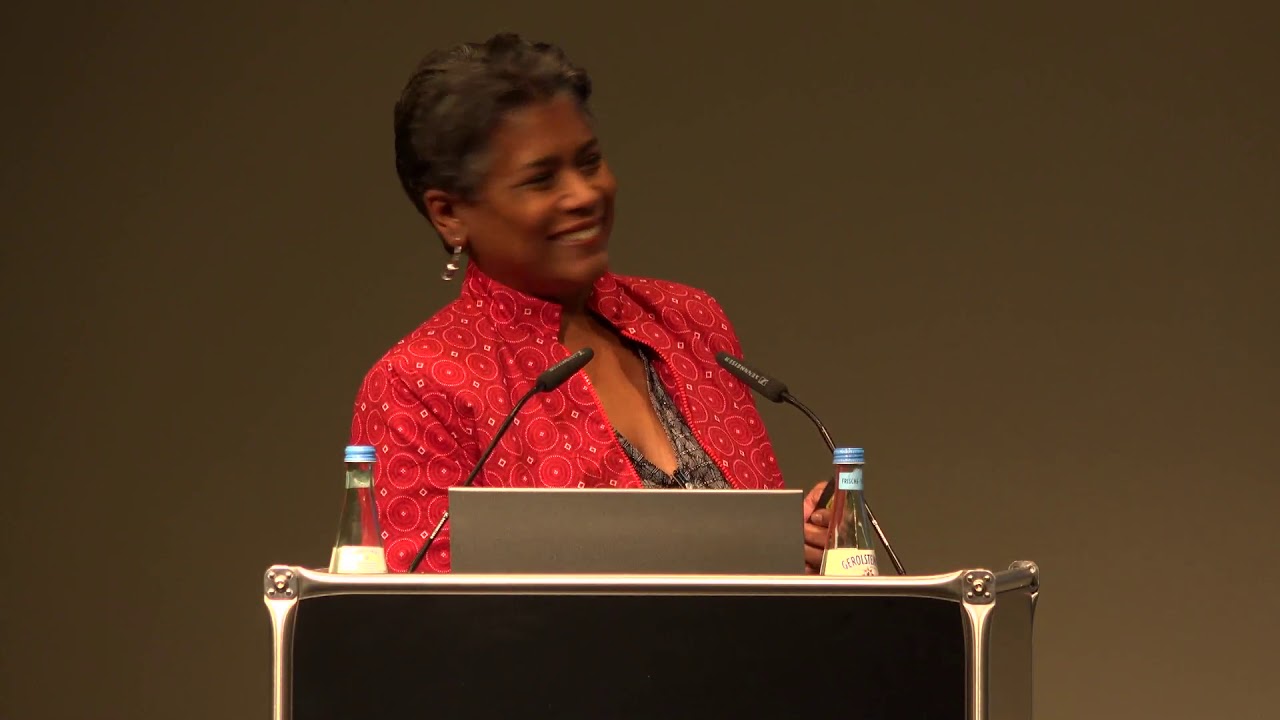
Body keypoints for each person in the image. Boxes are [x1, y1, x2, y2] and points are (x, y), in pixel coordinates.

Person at [348, 33, 832, 573]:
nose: (583, 195)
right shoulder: (420, 384)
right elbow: (427, 621)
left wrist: (790, 546)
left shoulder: (690, 321)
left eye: (590, 161)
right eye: (541, 180)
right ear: (449, 214)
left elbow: (755, 576)